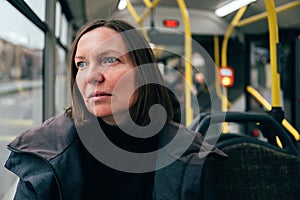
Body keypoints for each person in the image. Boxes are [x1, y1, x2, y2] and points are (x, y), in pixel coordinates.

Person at [5, 19, 224, 200]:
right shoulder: (45, 152)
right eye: (81, 64)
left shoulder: (192, 156)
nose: (91, 76)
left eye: (110, 60)